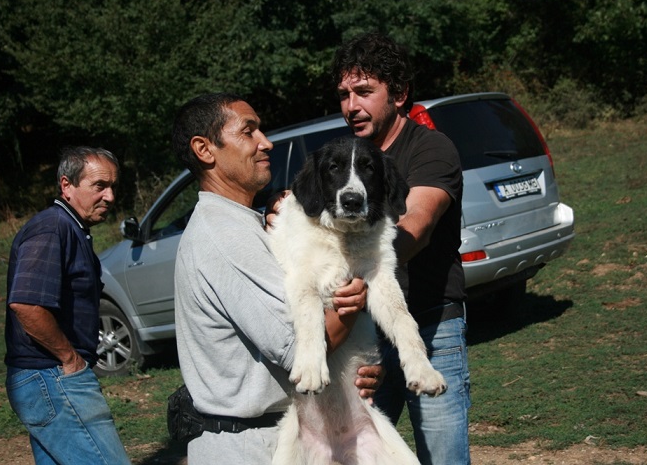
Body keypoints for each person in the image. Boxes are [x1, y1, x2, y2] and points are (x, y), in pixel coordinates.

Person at [171, 93, 382, 464]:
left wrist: (356, 367)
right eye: (248, 131)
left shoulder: (242, 224)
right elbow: (300, 348)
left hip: (279, 434)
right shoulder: (224, 234)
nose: (266, 142)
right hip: (249, 447)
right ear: (205, 150)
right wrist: (352, 299)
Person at [331, 32, 471, 465]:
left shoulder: (431, 148)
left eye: (364, 91)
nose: (352, 106)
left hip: (431, 327)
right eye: (344, 95)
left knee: (443, 459)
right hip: (365, 336)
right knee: (355, 455)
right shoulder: (348, 159)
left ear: (399, 93)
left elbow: (417, 225)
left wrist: (362, 273)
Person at [4, 147, 130, 465]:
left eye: (113, 186)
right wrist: (70, 360)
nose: (110, 196)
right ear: (66, 185)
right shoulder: (52, 228)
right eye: (99, 186)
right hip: (51, 376)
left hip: (47, 378)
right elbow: (27, 304)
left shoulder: (72, 229)